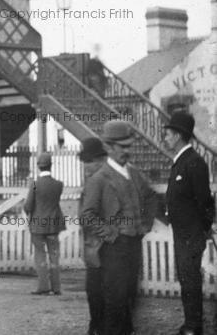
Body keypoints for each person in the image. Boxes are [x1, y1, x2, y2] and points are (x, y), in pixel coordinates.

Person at [81, 120, 158, 335]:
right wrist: (111, 233)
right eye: (122, 147)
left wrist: (145, 225)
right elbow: (87, 215)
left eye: (129, 146)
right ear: (108, 147)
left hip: (133, 246)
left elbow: (151, 198)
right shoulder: (99, 179)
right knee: (114, 303)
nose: (127, 151)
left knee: (129, 300)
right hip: (113, 250)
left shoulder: (134, 174)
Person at [163, 112, 215, 335]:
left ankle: (194, 327)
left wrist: (202, 230)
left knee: (191, 280)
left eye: (167, 134)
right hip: (182, 234)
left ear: (177, 136)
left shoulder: (194, 163)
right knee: (186, 280)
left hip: (191, 235)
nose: (165, 138)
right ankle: (190, 323)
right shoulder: (181, 163)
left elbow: (205, 202)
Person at [78, 137, 108, 335]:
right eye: (84, 161)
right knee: (93, 293)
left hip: (104, 249)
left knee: (101, 294)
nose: (85, 166)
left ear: (100, 160)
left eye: (89, 162)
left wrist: (106, 233)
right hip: (92, 249)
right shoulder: (91, 182)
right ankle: (96, 325)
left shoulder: (105, 181)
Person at [24, 152, 65, 295]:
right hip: (54, 224)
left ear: (38, 167)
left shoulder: (35, 184)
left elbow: (28, 206)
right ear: (51, 165)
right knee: (54, 255)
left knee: (40, 255)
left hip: (38, 225)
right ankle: (56, 287)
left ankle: (43, 287)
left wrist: (28, 211)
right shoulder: (59, 185)